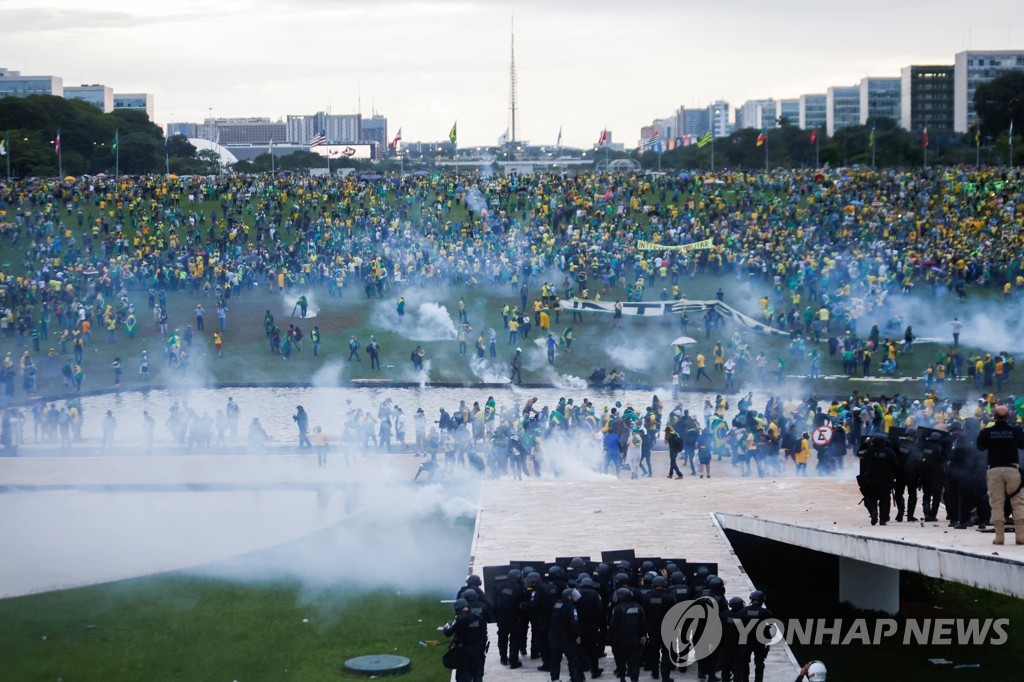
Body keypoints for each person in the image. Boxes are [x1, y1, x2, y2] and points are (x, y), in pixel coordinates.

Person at [976, 404, 1024, 545]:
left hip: (994, 470)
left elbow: (980, 447)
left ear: (995, 417)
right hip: (1012, 469)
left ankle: (999, 537)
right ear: (1008, 417)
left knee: (997, 502)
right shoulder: (1015, 430)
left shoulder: (987, 432)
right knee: (1018, 502)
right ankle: (1020, 536)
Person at [441, 598, 486, 682]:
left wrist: (445, 628)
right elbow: (483, 632)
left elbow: (448, 633)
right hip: (477, 649)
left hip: (463, 651)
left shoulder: (459, 619)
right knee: (477, 673)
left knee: (463, 674)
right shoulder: (477, 616)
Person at [857, 434, 898, 525]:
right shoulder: (889, 452)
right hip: (885, 480)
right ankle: (883, 519)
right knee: (885, 500)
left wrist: (864, 443)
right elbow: (896, 465)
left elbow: (859, 453)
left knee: (871, 498)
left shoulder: (869, 451)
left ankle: (873, 511)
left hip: (871, 480)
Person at [548, 588, 585, 682]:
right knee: (573, 658)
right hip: (566, 637)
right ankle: (576, 678)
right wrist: (577, 636)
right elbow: (574, 622)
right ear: (569, 597)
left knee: (555, 659)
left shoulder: (557, 604)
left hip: (554, 636)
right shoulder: (570, 606)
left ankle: (554, 678)